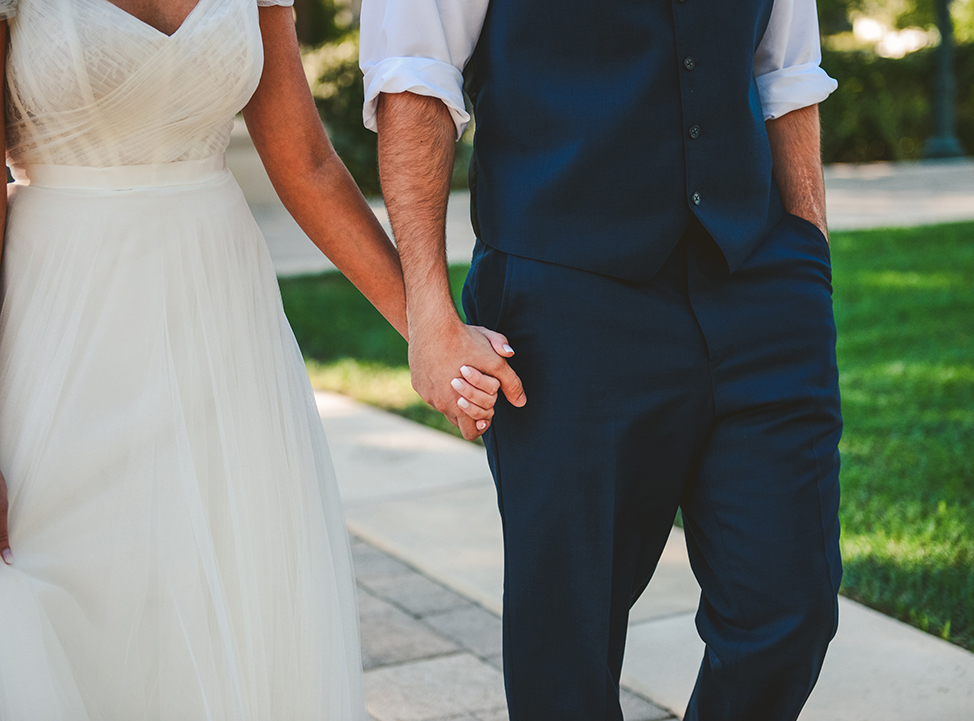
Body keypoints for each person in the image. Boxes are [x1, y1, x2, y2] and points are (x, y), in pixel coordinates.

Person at [0, 1, 520, 718]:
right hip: (58, 324)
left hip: (222, 325)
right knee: (65, 600)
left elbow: (305, 162)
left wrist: (429, 327)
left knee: (234, 605)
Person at [360, 0, 843, 719]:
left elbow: (788, 74)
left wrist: (808, 267)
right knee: (567, 647)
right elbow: (415, 80)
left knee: (788, 609)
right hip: (564, 301)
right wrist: (428, 315)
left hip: (758, 283)